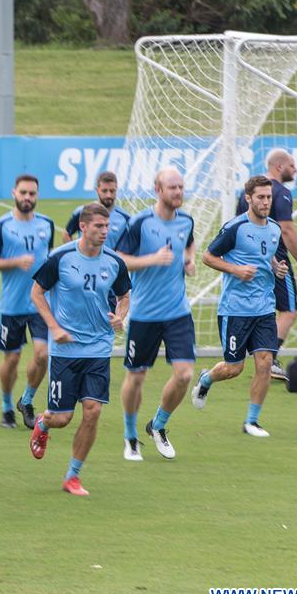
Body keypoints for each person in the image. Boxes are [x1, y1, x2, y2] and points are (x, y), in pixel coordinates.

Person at [29, 203, 131, 496]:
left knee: (93, 411)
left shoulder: (114, 261)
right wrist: (53, 327)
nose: (104, 231)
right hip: (65, 351)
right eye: (99, 226)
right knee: (62, 418)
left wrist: (120, 317)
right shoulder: (60, 257)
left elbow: (124, 295)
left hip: (98, 348)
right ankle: (43, 423)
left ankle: (73, 475)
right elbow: (37, 292)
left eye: (107, 226)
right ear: (83, 227)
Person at [192, 175, 288, 437]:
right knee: (234, 368)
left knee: (265, 363)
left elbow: (266, 257)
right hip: (235, 309)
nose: (266, 202)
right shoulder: (235, 228)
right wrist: (235, 269)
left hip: (264, 307)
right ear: (248, 198)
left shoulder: (274, 229)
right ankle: (206, 379)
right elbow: (208, 257)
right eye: (260, 197)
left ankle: (251, 422)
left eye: (268, 197)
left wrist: (277, 268)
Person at [115, 167, 196, 461]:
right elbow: (119, 259)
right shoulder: (140, 223)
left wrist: (188, 260)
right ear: (158, 190)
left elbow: (189, 244)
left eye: (181, 187)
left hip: (178, 312)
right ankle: (130, 436)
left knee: (185, 375)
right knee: (136, 377)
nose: (178, 192)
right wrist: (153, 259)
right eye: (173, 187)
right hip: (145, 315)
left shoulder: (186, 220)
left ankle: (158, 425)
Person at [0, 174, 55, 429]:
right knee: (11, 359)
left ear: (37, 195)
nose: (27, 197)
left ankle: (26, 400)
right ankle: (6, 406)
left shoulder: (47, 224)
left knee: (43, 354)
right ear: (14, 193)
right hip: (12, 305)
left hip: (40, 304)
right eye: (23, 193)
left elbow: (49, 260)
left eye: (32, 193)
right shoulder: (1, 226)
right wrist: (15, 262)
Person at [235, 149, 297, 381]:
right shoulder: (281, 193)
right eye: (292, 166)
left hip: (247, 258)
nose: (295, 170)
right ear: (279, 166)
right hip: (275, 260)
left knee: (258, 307)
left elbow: (237, 224)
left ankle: (247, 350)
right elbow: (286, 230)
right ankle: (269, 358)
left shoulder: (248, 193)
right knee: (288, 311)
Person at [63, 171, 131, 247]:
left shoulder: (125, 218)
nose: (108, 195)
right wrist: (73, 253)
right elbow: (67, 234)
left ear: (116, 190)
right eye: (104, 191)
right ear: (97, 190)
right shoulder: (82, 212)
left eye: (112, 191)